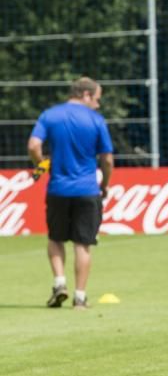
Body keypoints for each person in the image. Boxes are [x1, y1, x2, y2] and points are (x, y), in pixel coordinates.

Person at [27, 76, 114, 310]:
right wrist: (105, 184)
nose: (98, 105)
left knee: (55, 238)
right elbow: (106, 159)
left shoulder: (50, 115)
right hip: (87, 189)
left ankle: (59, 283)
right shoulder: (96, 120)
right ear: (86, 95)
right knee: (82, 244)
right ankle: (80, 297)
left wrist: (42, 165)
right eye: (97, 99)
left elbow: (34, 145)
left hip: (57, 188)